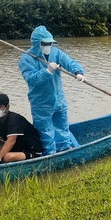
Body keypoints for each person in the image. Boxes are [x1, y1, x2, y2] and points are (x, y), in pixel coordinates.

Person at [18, 25, 87, 155]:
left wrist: (78, 72)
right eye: (45, 43)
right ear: (37, 43)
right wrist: (47, 71)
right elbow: (31, 79)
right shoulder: (27, 58)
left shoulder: (56, 53)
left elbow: (69, 62)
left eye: (50, 43)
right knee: (44, 130)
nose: (48, 46)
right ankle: (49, 154)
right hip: (41, 102)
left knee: (62, 126)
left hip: (59, 98)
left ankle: (65, 149)